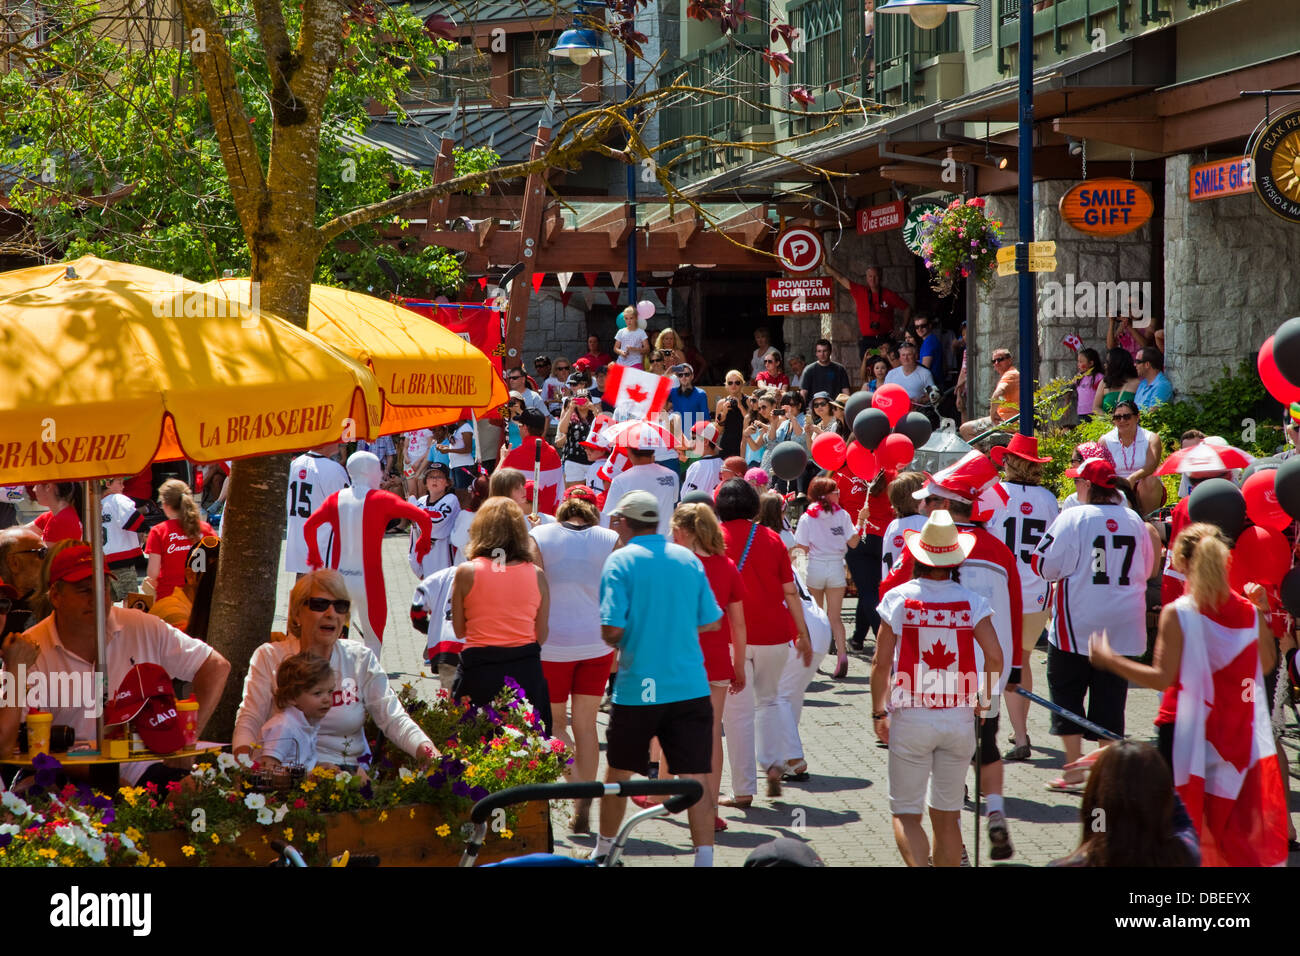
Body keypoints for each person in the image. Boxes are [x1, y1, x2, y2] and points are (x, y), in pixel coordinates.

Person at [1089, 524, 1287, 866]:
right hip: (1234, 734)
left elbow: (1161, 679)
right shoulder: (1250, 612)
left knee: (1181, 822)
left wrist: (1111, 661)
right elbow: (1267, 664)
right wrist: (1264, 614)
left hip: (1183, 731)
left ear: (1180, 561)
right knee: (1227, 823)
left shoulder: (1179, 612)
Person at [881, 453, 1022, 860]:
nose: (925, 506)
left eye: (931, 500)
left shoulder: (921, 549)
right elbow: (1012, 610)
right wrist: (1011, 670)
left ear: (944, 505)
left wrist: (878, 705)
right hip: (983, 684)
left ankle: (954, 846)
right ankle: (993, 813)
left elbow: (888, 599)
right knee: (983, 754)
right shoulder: (998, 550)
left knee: (925, 796)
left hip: (928, 686)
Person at [0, 544, 231, 785]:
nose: (97, 600)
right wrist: (109, 778)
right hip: (64, 772)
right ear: (56, 595)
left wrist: (187, 741)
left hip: (144, 766)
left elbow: (216, 666)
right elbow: (18, 743)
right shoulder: (29, 650)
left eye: (103, 590)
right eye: (84, 591)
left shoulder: (142, 627)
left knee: (194, 791)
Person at [596, 490, 723, 866]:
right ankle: (704, 859)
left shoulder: (619, 562)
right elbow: (711, 620)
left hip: (638, 689)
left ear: (623, 522)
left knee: (618, 773)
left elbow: (610, 629)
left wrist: (638, 628)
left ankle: (604, 851)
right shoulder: (688, 559)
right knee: (696, 775)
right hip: (689, 685)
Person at [871, 511, 1002, 867]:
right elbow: (995, 657)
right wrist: (985, 702)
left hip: (912, 716)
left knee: (905, 813)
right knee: (947, 816)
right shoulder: (972, 601)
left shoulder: (898, 598)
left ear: (918, 556)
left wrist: (878, 711)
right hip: (959, 718)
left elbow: (881, 663)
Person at [1032, 457, 1155, 792]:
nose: (1075, 487)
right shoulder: (1133, 518)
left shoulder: (1073, 517)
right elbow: (1146, 569)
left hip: (1079, 621)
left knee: (1066, 693)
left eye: (1077, 482)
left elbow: (1042, 565)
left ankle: (1074, 771)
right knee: (1110, 699)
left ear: (1087, 485)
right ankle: (1106, 776)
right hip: (1124, 623)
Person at [234, 568, 436, 771]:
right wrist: (244, 766)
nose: (331, 614)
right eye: (320, 605)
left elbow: (393, 719)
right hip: (288, 774)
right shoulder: (269, 657)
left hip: (350, 776)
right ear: (297, 614)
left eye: (340, 606)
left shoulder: (360, 658)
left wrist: (431, 755)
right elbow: (250, 718)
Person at [715, 479, 812, 808]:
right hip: (775, 633)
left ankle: (743, 789)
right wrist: (803, 632)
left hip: (731, 637)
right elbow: (790, 590)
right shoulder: (771, 538)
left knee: (737, 717)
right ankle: (772, 761)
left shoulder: (714, 539)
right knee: (769, 701)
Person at [670, 503, 747, 831]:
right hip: (716, 661)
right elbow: (739, 624)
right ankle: (709, 807)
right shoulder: (727, 565)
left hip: (678, 660)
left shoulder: (676, 566)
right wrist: (739, 665)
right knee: (712, 732)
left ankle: (682, 797)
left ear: (685, 532)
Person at [987, 434, 1059, 762]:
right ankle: (1020, 731)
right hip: (1037, 590)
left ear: (1010, 461)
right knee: (1023, 659)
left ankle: (999, 732)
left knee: (993, 661)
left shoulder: (995, 494)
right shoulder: (1048, 498)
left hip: (1002, 589)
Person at [1048, 740, 1199, 867]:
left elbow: (1097, 822)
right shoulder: (1185, 854)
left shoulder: (1069, 864)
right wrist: (1150, 775)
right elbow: (1181, 819)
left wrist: (1103, 771)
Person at [793, 476, 859, 680]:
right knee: (835, 618)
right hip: (837, 568)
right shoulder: (843, 515)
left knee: (817, 618)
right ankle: (842, 655)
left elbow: (801, 547)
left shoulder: (807, 517)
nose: (839, 494)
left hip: (815, 568)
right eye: (835, 491)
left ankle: (815, 661)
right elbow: (854, 543)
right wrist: (862, 522)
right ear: (825, 494)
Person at [258, 653, 334, 775]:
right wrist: (304, 776)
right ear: (292, 697)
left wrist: (319, 768)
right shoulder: (284, 726)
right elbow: (268, 768)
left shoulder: (307, 724)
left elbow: (300, 762)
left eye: (330, 692)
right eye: (317, 693)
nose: (327, 699)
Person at [286, 443, 350, 578]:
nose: (340, 443)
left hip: (298, 537)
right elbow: (346, 507)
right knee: (322, 591)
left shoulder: (295, 464)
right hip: (323, 541)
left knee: (302, 587)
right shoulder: (333, 469)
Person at [144, 479, 214, 601]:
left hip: (169, 599)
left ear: (165, 505)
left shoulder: (158, 531)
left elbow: (153, 573)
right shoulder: (205, 529)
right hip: (200, 598)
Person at [825, 263, 911, 357]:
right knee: (867, 359)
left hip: (885, 339)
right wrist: (825, 265)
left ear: (881, 277)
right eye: (870, 276)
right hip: (868, 341)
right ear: (866, 278)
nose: (873, 279)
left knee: (885, 365)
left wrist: (902, 328)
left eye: (876, 276)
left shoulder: (889, 294)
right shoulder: (860, 291)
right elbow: (840, 278)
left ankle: (879, 355)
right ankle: (877, 354)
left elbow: (907, 308)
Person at [1099, 399, 1164, 515]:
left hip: (1143, 485)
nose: (1122, 420)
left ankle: (1147, 520)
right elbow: (1102, 468)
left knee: (1150, 480)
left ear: (1137, 417)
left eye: (1127, 416)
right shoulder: (1105, 441)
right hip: (1116, 485)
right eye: (1118, 417)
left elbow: (1151, 465)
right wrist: (1121, 483)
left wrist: (1132, 479)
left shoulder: (1151, 438)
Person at [601, 444, 680, 538]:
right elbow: (674, 502)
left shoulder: (620, 480)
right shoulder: (672, 475)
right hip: (666, 544)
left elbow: (610, 518)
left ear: (629, 451)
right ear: (653, 450)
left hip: (633, 545)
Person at [496, 409, 564, 516]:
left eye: (520, 425)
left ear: (525, 428)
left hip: (520, 521)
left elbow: (495, 487)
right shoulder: (554, 454)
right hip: (549, 519)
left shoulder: (513, 456)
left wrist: (502, 459)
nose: (519, 428)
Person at [407, 463, 459, 578]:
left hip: (444, 558)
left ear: (447, 482)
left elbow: (436, 521)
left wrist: (415, 508)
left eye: (439, 476)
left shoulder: (451, 500)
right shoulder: (421, 501)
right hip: (425, 558)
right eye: (431, 477)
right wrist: (415, 563)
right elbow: (414, 532)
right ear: (425, 482)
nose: (434, 480)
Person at [100, 477, 145, 600]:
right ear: (108, 484)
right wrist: (145, 531)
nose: (123, 486)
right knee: (132, 601)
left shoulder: (93, 505)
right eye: (119, 483)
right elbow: (136, 522)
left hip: (102, 561)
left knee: (107, 604)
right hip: (122, 560)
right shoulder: (118, 499)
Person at [959, 349, 1019, 441]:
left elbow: (998, 393)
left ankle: (981, 455)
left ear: (1009, 360)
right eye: (993, 361)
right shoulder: (1012, 374)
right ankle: (987, 453)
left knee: (965, 429)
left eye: (1000, 359)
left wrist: (992, 413)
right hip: (1009, 420)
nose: (996, 363)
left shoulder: (1010, 374)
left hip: (1008, 421)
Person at [555, 376, 599, 487]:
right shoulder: (571, 415)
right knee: (572, 493)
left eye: (585, 399)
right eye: (579, 399)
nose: (582, 402)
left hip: (592, 461)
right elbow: (562, 429)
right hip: (574, 459)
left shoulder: (594, 416)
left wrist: (593, 409)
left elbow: (602, 428)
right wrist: (570, 409)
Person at [800, 338, 851, 407]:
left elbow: (846, 392)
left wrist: (845, 408)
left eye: (825, 351)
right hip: (814, 408)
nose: (822, 354)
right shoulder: (809, 370)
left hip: (834, 408)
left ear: (830, 352)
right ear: (816, 353)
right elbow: (803, 393)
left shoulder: (840, 369)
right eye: (819, 351)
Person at [681, 422, 726, 498]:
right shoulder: (723, 464)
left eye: (694, 438)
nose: (691, 443)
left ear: (705, 442)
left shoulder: (697, 466)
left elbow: (686, 497)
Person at [1092, 347, 1140, 416]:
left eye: (1108, 362)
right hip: (1105, 425)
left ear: (1117, 364)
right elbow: (1095, 408)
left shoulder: (1136, 383)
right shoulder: (1104, 382)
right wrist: (1110, 418)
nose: (1105, 365)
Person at [665, 362, 710, 437]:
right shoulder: (673, 392)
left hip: (695, 437)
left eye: (687, 374)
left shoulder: (701, 394)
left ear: (692, 376)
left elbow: (706, 420)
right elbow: (662, 405)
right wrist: (666, 375)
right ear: (678, 377)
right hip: (678, 437)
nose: (683, 377)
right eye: (680, 375)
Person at [715, 370, 750, 458]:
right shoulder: (721, 403)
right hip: (727, 443)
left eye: (737, 382)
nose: (733, 385)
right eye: (730, 383)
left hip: (744, 442)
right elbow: (718, 431)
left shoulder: (749, 401)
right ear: (726, 385)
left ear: (742, 384)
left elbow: (751, 423)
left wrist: (741, 406)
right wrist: (724, 413)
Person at [436, 419, 478, 490]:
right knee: (459, 493)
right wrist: (444, 447)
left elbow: (468, 449)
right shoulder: (458, 429)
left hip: (464, 465)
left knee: (464, 494)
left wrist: (448, 450)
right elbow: (457, 446)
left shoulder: (465, 427)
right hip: (456, 466)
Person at [743, 391, 778, 468]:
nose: (761, 411)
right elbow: (755, 447)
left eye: (764, 407)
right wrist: (746, 435)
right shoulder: (766, 425)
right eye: (759, 408)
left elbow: (776, 433)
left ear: (774, 406)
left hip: (779, 462)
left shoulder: (781, 419)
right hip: (766, 463)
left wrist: (763, 425)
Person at [1134, 347, 1174, 411]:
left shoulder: (1162, 386)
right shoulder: (1142, 384)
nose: (1135, 365)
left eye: (1137, 362)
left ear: (1147, 364)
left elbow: (1152, 416)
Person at [1073, 347, 1104, 423]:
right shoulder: (1079, 377)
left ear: (1091, 363)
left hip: (1094, 413)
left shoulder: (1098, 377)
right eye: (1078, 362)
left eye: (1081, 362)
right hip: (1081, 413)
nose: (1078, 365)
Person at [914, 315, 944, 381]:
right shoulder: (930, 339)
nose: (919, 329)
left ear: (929, 326)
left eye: (923, 326)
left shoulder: (929, 342)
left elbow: (924, 368)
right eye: (917, 327)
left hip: (932, 384)